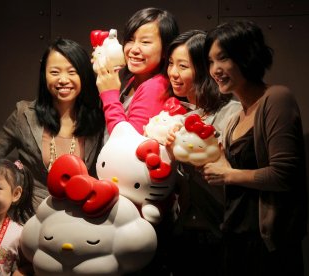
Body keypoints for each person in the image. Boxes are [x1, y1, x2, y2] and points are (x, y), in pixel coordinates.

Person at [0, 38, 106, 211]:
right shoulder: (24, 114)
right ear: (44, 75)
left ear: (83, 75)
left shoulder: (99, 117)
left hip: (80, 218)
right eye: (54, 72)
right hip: (31, 218)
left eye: (72, 71)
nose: (63, 79)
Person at [202, 20, 307, 275]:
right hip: (234, 237)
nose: (215, 70)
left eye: (223, 58)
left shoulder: (276, 98)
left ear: (246, 56)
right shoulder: (236, 117)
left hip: (267, 246)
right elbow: (230, 177)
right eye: (211, 62)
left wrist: (228, 174)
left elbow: (284, 175)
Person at [164, 30, 241, 276]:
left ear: (203, 68)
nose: (173, 73)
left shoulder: (233, 113)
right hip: (185, 230)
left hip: (223, 233)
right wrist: (170, 156)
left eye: (183, 66)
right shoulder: (183, 118)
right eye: (170, 64)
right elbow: (179, 184)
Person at [95, 7, 180, 136]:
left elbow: (128, 142)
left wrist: (109, 94)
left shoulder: (156, 87)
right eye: (130, 40)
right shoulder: (135, 80)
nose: (134, 49)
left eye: (145, 42)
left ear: (165, 50)